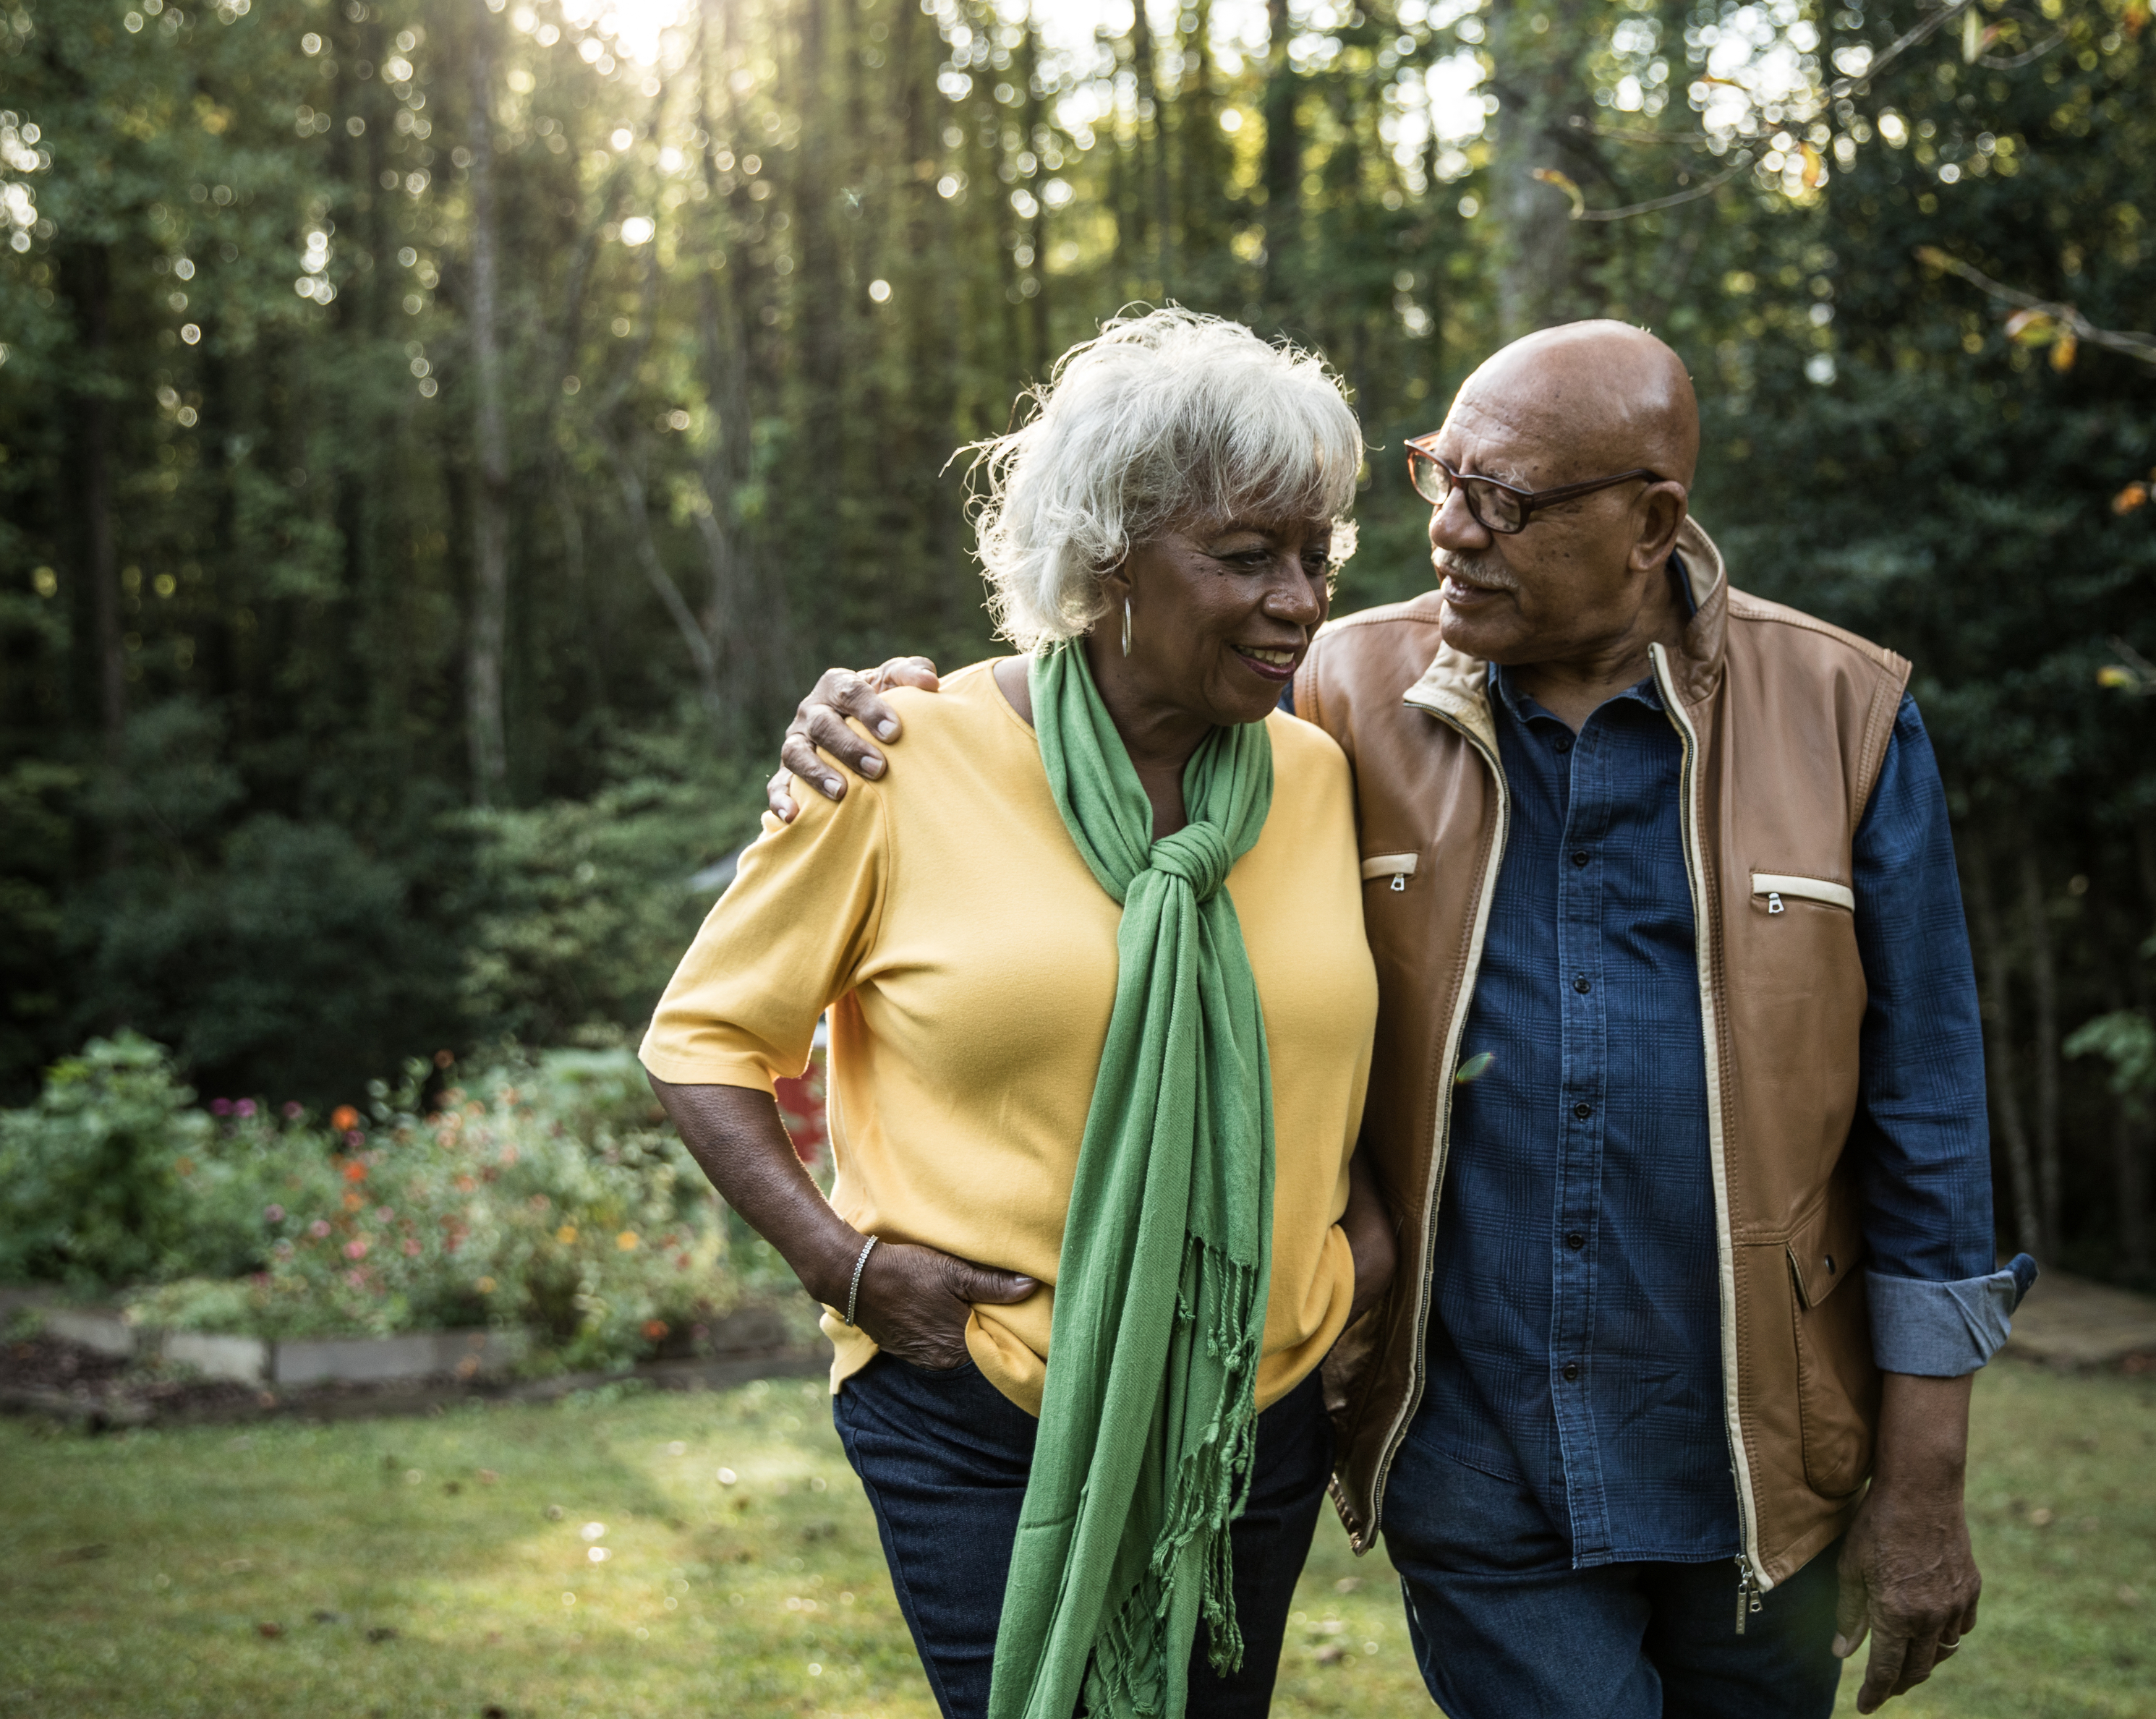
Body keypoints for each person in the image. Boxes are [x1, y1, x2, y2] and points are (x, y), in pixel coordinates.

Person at [778, 320, 2033, 1719]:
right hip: (1474, 1442)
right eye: (1442, 475)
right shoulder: (1335, 696)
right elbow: (1105, 701)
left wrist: (1925, 1487)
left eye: (1501, 500)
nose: (1445, 531)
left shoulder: (1847, 716)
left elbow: (1927, 1124)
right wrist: (877, 706)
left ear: (1650, 522)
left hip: (1760, 1453)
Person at [643, 307, 1397, 1719]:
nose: (1299, 598)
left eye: (1316, 553)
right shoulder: (898, 753)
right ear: (1105, 557)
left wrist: (1359, 1237)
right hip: (975, 1392)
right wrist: (842, 1265)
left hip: (1256, 1401)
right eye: (1245, 556)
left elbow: (1341, 1043)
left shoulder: (1318, 773)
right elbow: (702, 1040)